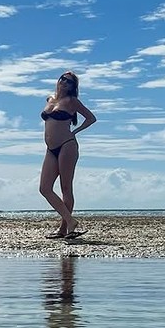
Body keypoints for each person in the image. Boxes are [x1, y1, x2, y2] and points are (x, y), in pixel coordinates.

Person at [39, 70, 96, 239]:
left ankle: (65, 228)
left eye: (69, 81)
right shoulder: (50, 98)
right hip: (50, 149)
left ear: (72, 87)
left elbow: (91, 118)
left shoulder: (72, 101)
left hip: (67, 146)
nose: (64, 82)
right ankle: (70, 222)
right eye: (62, 78)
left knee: (66, 188)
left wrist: (75, 132)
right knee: (44, 188)